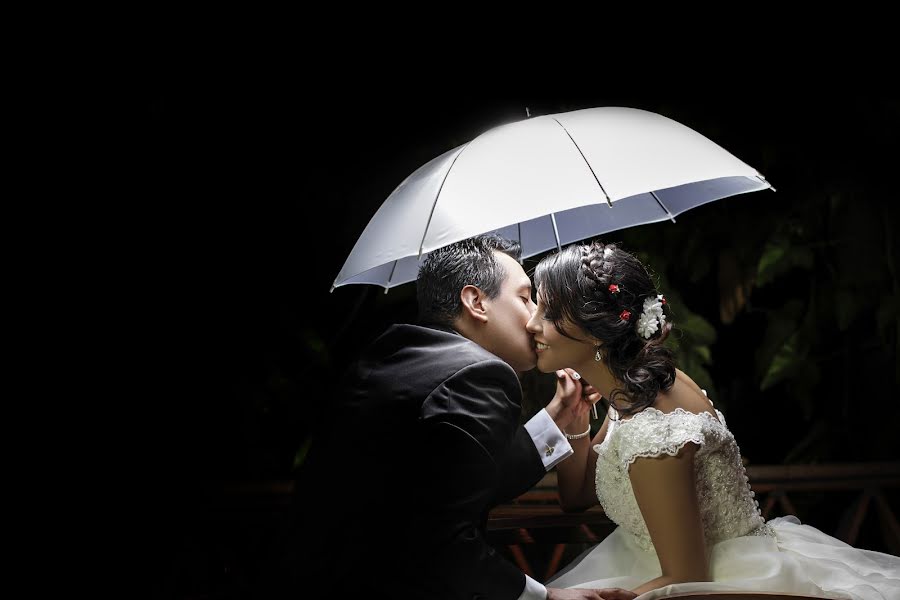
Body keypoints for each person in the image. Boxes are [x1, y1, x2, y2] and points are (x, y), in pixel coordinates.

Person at [524, 239, 900, 599]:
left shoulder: (654, 432)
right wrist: (576, 420)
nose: (531, 324)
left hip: (718, 584)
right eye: (536, 306)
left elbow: (687, 578)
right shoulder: (634, 389)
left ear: (596, 332)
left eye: (550, 313)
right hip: (653, 566)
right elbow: (576, 498)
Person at [268, 234, 634, 600]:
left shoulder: (394, 353)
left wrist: (559, 416)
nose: (536, 319)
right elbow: (440, 539)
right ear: (476, 302)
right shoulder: (478, 374)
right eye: (525, 298)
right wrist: (546, 597)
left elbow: (452, 486)